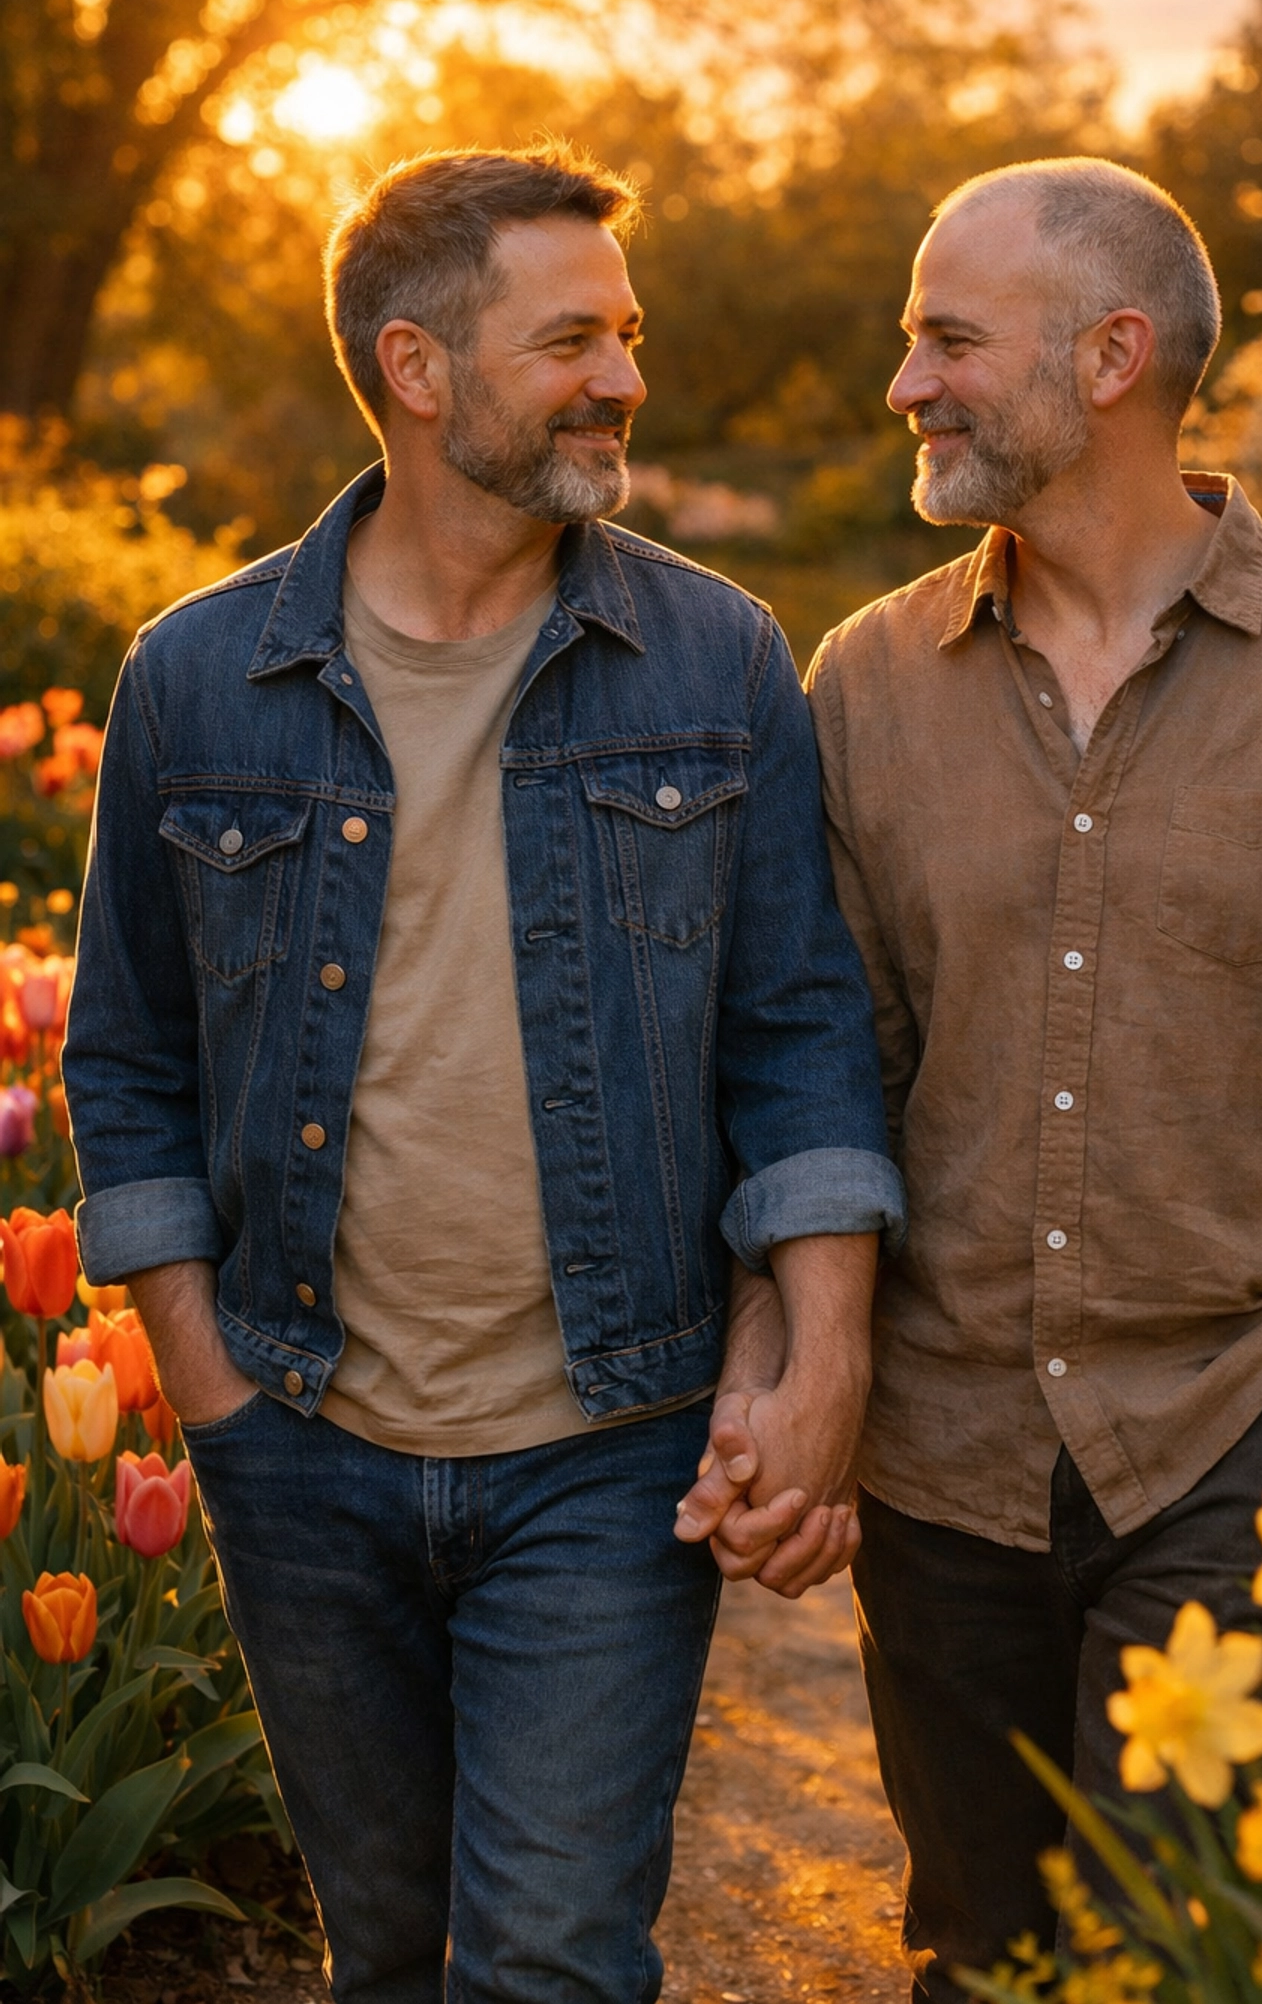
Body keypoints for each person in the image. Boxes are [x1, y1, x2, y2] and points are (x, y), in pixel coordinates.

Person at [62, 146, 903, 2004]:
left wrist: (823, 1359)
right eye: (573, 339)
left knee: (547, 1960)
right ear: (419, 367)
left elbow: (795, 1032)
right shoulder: (196, 680)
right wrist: (210, 1391)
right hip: (300, 1433)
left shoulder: (710, 654)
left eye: (628, 332)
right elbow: (119, 1055)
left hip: (609, 1451)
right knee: (389, 1954)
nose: (624, 377)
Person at [795, 156, 1262, 1997]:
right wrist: (798, 1376)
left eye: (947, 340)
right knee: (981, 1957)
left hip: (1243, 1446)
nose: (907, 388)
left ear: (1112, 355)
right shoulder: (866, 687)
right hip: (945, 1464)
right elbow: (824, 1079)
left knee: (1191, 1957)